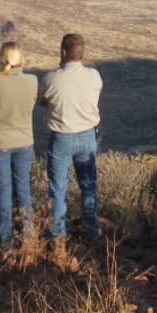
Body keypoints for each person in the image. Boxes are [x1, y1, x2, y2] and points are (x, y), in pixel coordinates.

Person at [39, 33, 103, 245]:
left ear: (63, 52)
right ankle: (90, 229)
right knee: (88, 185)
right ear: (82, 54)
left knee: (58, 187)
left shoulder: (51, 79)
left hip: (62, 138)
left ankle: (57, 233)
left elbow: (43, 100)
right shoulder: (94, 76)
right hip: (87, 136)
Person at [0, 41, 37, 247]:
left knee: (3, 189)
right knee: (23, 186)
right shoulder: (32, 82)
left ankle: (5, 236)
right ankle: (28, 233)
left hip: (0, 143)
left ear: (1, 59)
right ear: (20, 59)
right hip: (24, 142)